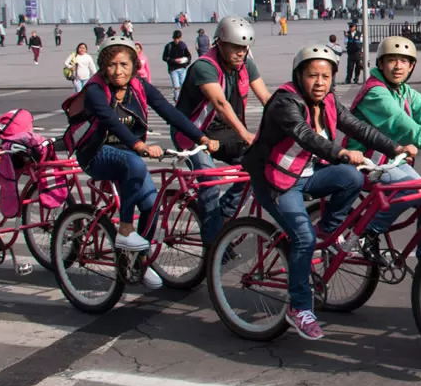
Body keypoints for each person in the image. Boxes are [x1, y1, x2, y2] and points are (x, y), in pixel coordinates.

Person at [241, 45, 410, 340]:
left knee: (351, 179)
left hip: (306, 174)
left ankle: (327, 234)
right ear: (298, 76)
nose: (319, 82)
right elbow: (305, 136)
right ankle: (300, 308)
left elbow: (357, 126)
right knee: (302, 238)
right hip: (276, 180)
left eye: (325, 76)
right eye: (312, 75)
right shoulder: (285, 102)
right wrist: (341, 152)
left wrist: (395, 148)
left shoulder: (329, 101)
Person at [72, 38, 219, 289]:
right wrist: (139, 146)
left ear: (134, 65)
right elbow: (111, 122)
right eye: (112, 65)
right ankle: (126, 229)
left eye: (124, 64)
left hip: (126, 154)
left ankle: (139, 260)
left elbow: (169, 112)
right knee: (133, 162)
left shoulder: (139, 86)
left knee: (152, 204)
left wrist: (201, 136)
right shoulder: (96, 90)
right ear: (103, 67)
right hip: (94, 153)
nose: (118, 71)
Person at [347, 36, 421, 284]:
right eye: (392, 60)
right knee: (415, 191)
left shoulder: (405, 92)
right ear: (381, 63)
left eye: (405, 61)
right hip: (367, 161)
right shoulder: (375, 92)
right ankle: (369, 232)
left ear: (412, 67)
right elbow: (399, 121)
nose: (398, 66)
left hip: (392, 162)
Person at [173, 16, 272, 250]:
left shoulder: (246, 63)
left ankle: (224, 214)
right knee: (209, 181)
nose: (241, 53)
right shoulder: (204, 67)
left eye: (244, 48)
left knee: (256, 165)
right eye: (236, 47)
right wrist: (247, 135)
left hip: (224, 131)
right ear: (220, 43)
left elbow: (266, 98)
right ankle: (214, 244)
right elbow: (220, 103)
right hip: (194, 134)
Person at [162, 30, 193, 99]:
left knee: (183, 84)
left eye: (178, 38)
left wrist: (185, 62)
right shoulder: (169, 46)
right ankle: (177, 99)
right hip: (173, 69)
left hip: (182, 68)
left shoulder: (183, 46)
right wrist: (174, 61)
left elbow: (189, 56)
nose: (176, 40)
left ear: (180, 38)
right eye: (175, 38)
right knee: (176, 86)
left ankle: (183, 99)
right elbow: (164, 57)